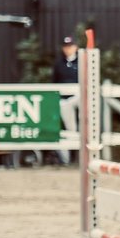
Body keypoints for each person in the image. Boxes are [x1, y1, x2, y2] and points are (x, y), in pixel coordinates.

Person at [51, 35, 80, 165]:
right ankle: (68, 157)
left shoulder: (82, 62)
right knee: (69, 127)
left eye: (70, 46)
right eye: (66, 47)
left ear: (75, 47)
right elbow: (54, 82)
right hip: (64, 100)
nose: (68, 49)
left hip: (78, 97)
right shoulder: (58, 64)